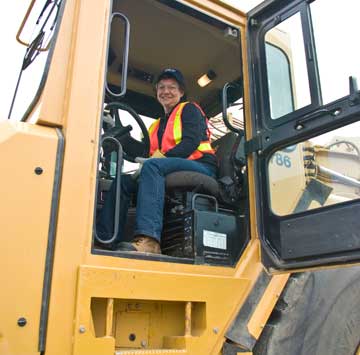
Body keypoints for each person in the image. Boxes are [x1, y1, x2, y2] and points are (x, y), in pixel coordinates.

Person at [97, 68, 217, 253]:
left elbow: (191, 142)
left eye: (172, 87)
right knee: (124, 181)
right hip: (170, 166)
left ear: (181, 92)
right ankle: (105, 239)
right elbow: (145, 151)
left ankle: (149, 240)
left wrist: (159, 159)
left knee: (153, 166)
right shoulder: (156, 125)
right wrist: (118, 134)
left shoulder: (190, 109)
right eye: (161, 87)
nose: (166, 91)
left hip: (201, 165)